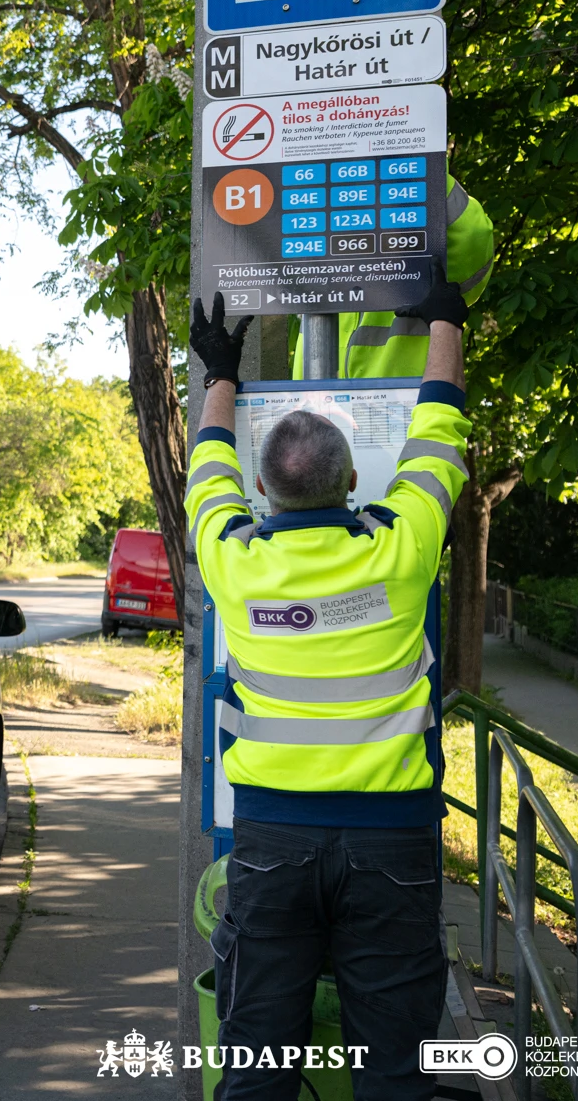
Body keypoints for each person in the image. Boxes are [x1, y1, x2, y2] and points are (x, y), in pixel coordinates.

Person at [187, 279, 471, 1101]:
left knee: (256, 1058)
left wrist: (219, 369)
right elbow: (439, 428)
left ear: (265, 490)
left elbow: (207, 468)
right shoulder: (402, 546)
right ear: (354, 484)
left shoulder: (234, 565)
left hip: (272, 841)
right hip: (395, 845)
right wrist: (446, 317)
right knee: (395, 1067)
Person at [291, 178, 492, 377]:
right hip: (314, 402)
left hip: (408, 401)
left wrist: (422, 158)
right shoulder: (319, 248)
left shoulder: (422, 260)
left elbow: (473, 245)